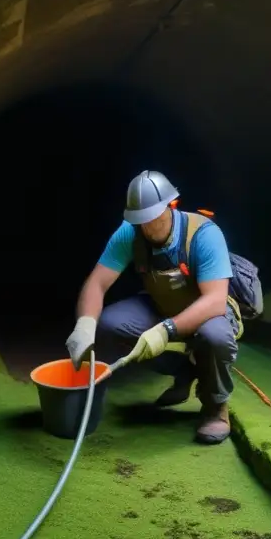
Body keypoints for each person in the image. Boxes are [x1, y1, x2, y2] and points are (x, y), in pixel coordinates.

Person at [65, 170, 241, 445]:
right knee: (110, 323)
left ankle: (215, 406)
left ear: (170, 207)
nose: (145, 228)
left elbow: (215, 300)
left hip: (206, 313)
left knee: (215, 337)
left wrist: (166, 330)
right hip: (160, 307)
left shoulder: (204, 234)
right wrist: (85, 324)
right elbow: (97, 284)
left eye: (151, 219)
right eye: (139, 221)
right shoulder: (131, 234)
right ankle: (184, 369)